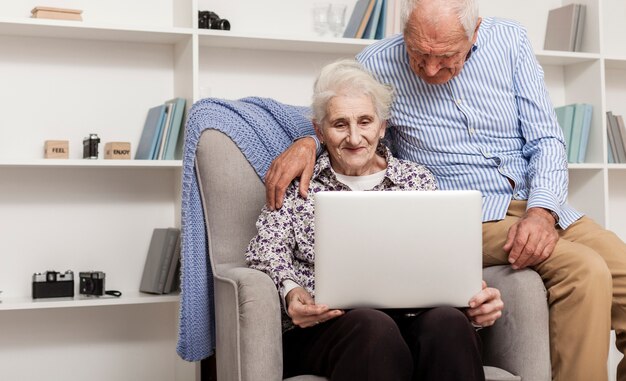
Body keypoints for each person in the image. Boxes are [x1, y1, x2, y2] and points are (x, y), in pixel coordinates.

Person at [263, 1, 626, 381]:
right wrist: (306, 142)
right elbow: (343, 110)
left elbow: (547, 139)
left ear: (475, 33)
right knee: (584, 270)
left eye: (447, 56)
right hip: (472, 214)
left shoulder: (510, 40)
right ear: (404, 36)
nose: (431, 69)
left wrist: (543, 211)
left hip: (541, 201)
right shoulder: (375, 61)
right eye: (418, 54)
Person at [246, 59, 503, 381]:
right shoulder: (300, 183)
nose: (354, 138)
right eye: (340, 124)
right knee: (372, 324)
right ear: (319, 131)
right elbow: (264, 251)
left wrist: (472, 302)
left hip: (414, 319)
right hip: (330, 328)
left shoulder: (416, 181)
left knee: (449, 322)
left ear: (382, 126)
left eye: (365, 122)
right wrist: (290, 291)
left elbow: (444, 260)